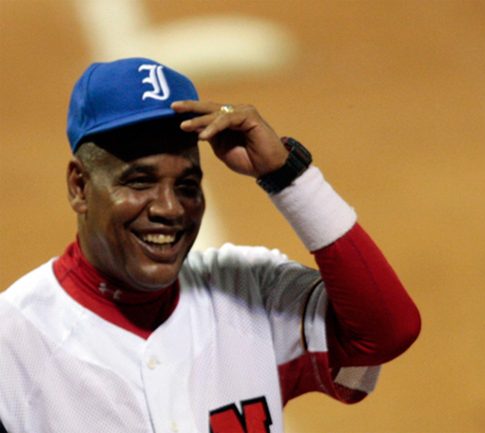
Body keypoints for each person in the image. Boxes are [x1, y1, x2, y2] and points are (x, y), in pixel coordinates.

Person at [0, 57, 421, 433]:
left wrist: (287, 175)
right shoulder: (12, 343)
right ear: (80, 186)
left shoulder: (250, 291)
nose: (169, 208)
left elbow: (387, 331)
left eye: (187, 185)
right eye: (140, 181)